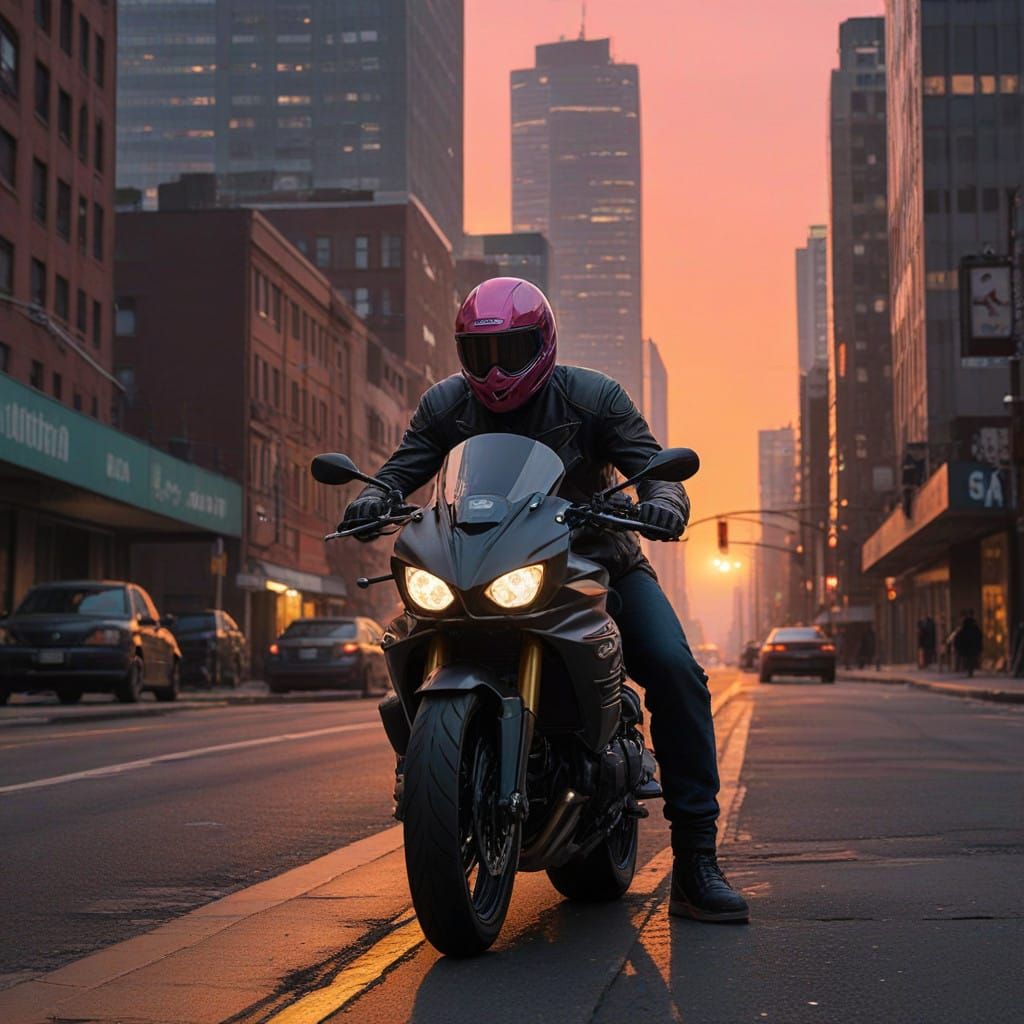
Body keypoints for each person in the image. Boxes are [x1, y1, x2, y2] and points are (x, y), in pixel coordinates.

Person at [340, 278, 748, 923]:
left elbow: (651, 464)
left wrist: (664, 501)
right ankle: (436, 782)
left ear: (544, 343)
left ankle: (697, 860)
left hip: (596, 562)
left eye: (513, 349)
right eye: (481, 354)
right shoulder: (445, 405)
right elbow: (404, 468)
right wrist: (373, 497)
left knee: (675, 671)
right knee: (407, 627)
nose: (497, 369)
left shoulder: (594, 397)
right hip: (483, 564)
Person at [954, 610, 983, 678]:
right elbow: (979, 636)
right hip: (972, 646)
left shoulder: (964, 628)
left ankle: (969, 671)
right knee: (971, 659)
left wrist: (958, 646)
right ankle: (970, 671)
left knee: (968, 659)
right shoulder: (975, 627)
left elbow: (959, 637)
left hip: (967, 647)